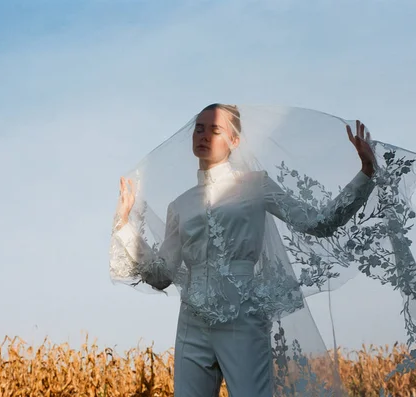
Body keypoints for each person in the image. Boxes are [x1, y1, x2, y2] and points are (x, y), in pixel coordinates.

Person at [111, 104, 380, 396]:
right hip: (192, 322)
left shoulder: (256, 185)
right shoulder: (180, 205)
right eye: (198, 128)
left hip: (242, 315)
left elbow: (319, 223)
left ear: (234, 141)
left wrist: (365, 174)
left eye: (215, 129)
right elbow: (161, 275)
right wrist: (124, 225)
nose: (203, 135)